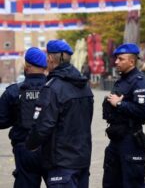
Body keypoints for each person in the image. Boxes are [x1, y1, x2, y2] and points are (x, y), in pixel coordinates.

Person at [25, 40, 94, 188]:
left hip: (60, 161)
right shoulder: (85, 86)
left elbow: (43, 125)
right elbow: (88, 118)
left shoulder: (52, 88)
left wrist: (30, 144)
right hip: (82, 160)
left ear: (50, 58)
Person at [102, 43, 145, 188]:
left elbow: (143, 112)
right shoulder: (122, 81)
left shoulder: (140, 82)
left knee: (132, 183)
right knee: (110, 182)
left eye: (120, 59)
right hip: (116, 139)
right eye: (116, 59)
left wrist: (119, 104)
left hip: (130, 139)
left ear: (131, 61)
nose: (116, 62)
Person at [0, 47, 47, 188]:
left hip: (24, 149)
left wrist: (17, 116)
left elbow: (1, 121)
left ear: (27, 66)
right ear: (45, 67)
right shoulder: (54, 88)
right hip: (51, 148)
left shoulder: (13, 91)